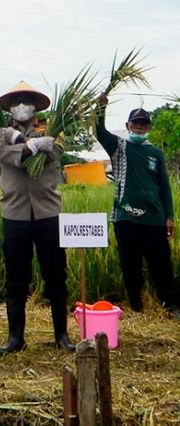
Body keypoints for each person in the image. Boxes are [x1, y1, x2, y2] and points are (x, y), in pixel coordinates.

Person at [0, 81, 75, 353]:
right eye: (16, 101)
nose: (22, 105)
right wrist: (33, 146)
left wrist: (41, 143)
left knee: (55, 276)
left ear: (36, 106)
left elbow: (56, 152)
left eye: (26, 100)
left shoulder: (53, 130)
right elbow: (2, 154)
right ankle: (16, 338)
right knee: (16, 277)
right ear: (10, 108)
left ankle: (61, 336)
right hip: (14, 214)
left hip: (48, 213)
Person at [96, 94, 180, 319]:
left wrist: (169, 216)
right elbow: (99, 132)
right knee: (130, 266)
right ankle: (136, 307)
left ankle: (170, 305)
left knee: (161, 266)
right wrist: (100, 108)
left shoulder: (156, 153)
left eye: (144, 124)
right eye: (136, 124)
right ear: (128, 125)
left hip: (154, 218)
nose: (139, 128)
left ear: (149, 127)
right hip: (127, 217)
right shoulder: (119, 147)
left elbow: (164, 186)